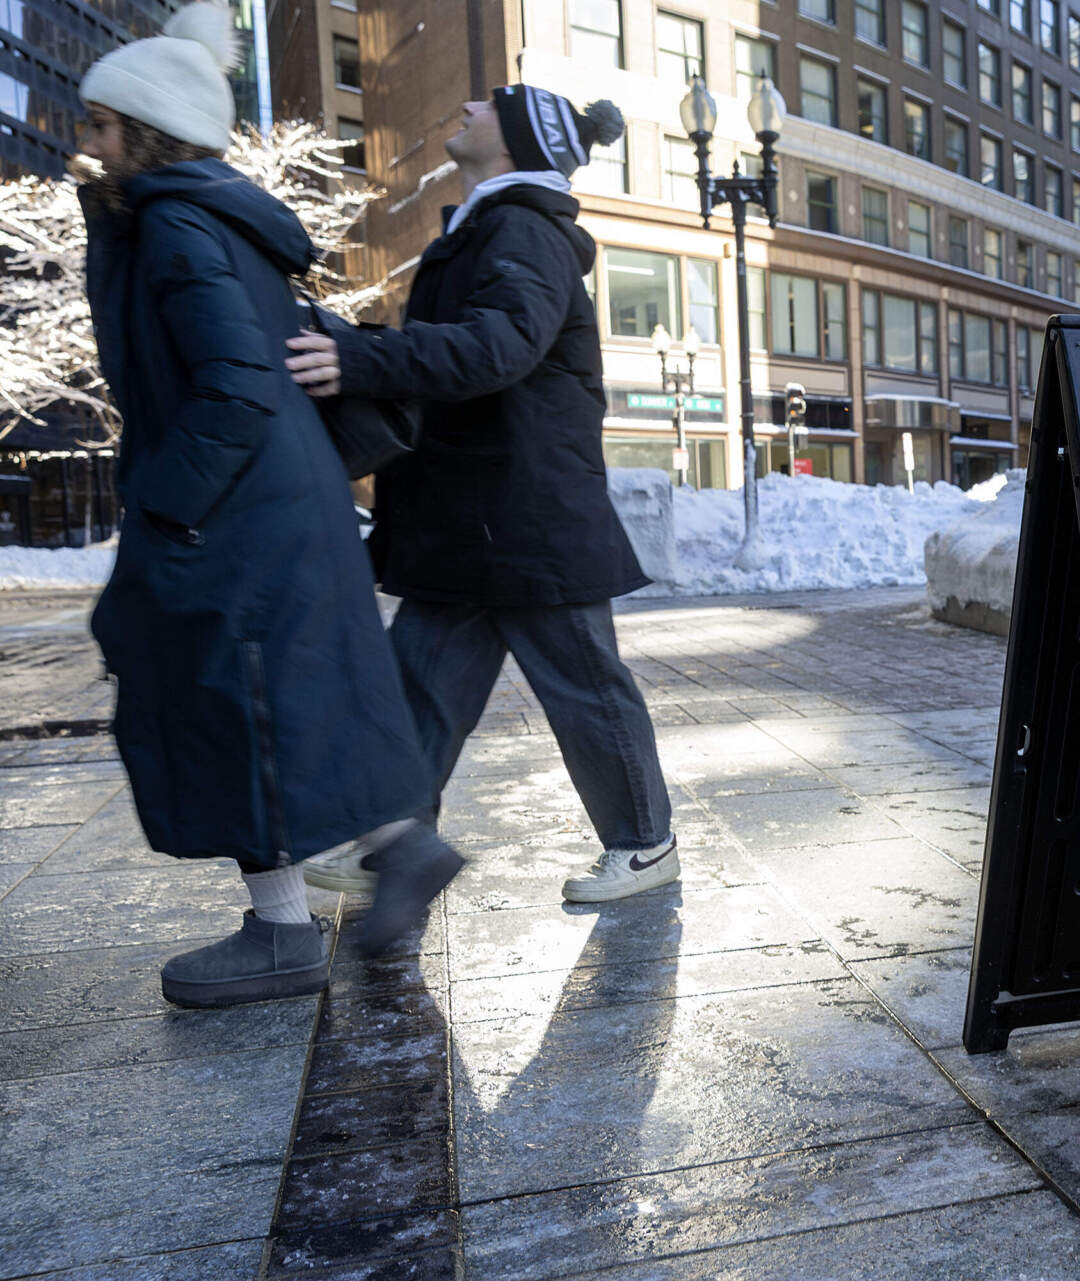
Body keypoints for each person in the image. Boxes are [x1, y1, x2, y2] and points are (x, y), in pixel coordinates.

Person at [76, 4, 465, 1007]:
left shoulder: (173, 225)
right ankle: (379, 857)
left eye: (102, 126)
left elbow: (233, 384)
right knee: (265, 692)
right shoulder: (198, 218)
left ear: (147, 133)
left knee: (224, 694)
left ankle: (295, 924)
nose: (88, 144)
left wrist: (168, 504)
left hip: (234, 500)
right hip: (272, 494)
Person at [285, 84, 677, 904]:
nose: (464, 104)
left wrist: (364, 359)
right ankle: (395, 844)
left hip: (526, 514)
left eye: (490, 103)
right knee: (419, 690)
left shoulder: (525, 228)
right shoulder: (489, 226)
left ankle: (645, 844)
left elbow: (499, 345)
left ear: (517, 143)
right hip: (474, 518)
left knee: (585, 689)